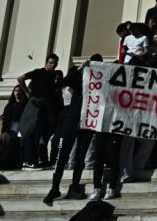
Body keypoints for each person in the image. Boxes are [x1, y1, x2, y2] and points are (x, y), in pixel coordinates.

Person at [45, 54, 102, 205]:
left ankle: (75, 185)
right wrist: (82, 67)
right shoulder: (80, 79)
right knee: (61, 154)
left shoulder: (101, 83)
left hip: (87, 124)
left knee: (80, 157)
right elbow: (67, 81)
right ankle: (55, 187)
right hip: (70, 121)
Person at [17, 54, 60, 169]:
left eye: (55, 63)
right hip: (35, 105)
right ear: (46, 63)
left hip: (44, 107)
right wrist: (26, 92)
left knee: (37, 134)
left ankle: (33, 161)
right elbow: (20, 78)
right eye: (51, 63)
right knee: (30, 132)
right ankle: (27, 161)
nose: (53, 65)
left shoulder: (53, 76)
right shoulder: (38, 72)